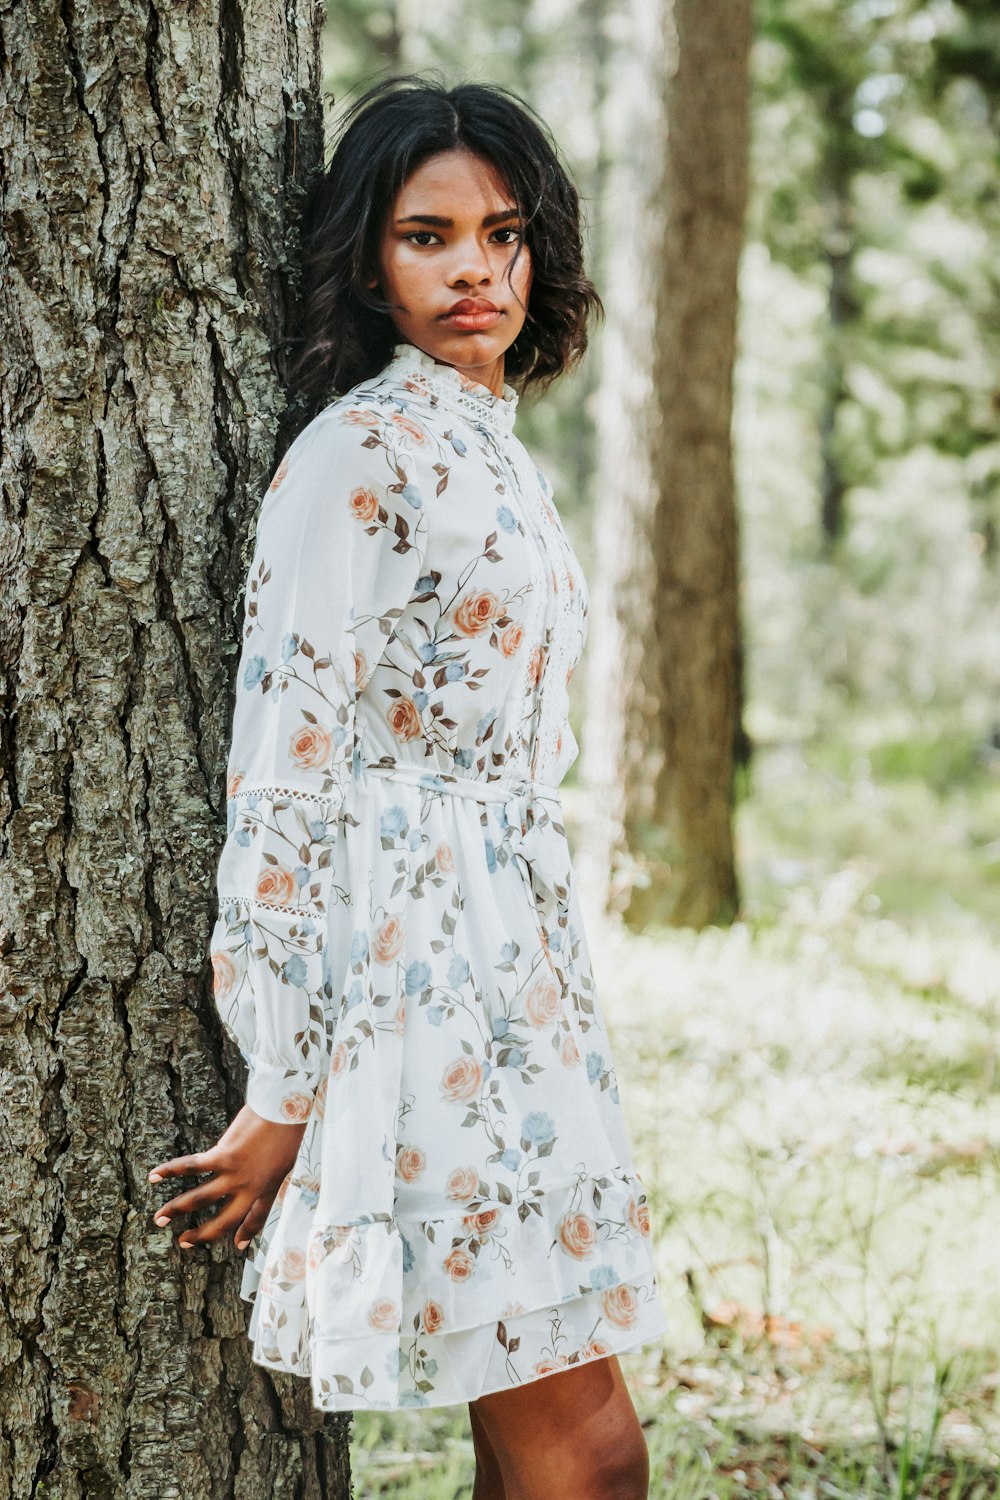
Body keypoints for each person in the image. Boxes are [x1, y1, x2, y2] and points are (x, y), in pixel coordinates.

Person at [148, 74, 668, 1498]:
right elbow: (286, 762)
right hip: (412, 991)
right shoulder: (356, 458)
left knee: (543, 1452)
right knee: (593, 1458)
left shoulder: (488, 447)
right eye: (427, 235)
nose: (473, 269)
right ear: (369, 261)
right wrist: (284, 1080)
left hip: (516, 984)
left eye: (501, 235)